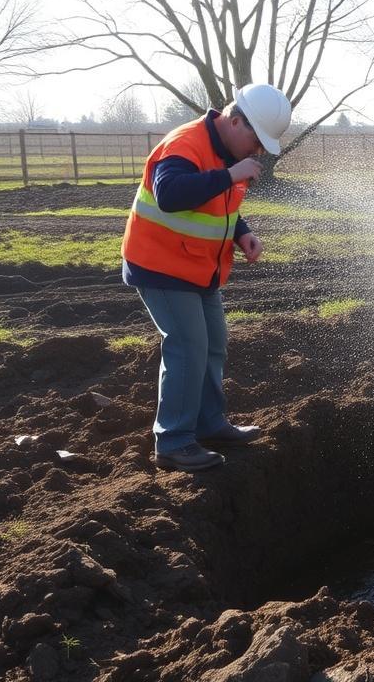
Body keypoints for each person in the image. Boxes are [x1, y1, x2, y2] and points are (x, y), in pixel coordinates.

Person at [121, 83, 292, 471]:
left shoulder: (227, 153)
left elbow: (219, 203)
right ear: (234, 122)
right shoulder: (186, 144)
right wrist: (231, 174)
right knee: (187, 346)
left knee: (213, 343)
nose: (259, 151)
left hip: (198, 268)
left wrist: (241, 231)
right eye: (258, 140)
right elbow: (170, 193)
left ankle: (208, 424)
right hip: (161, 265)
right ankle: (174, 442)